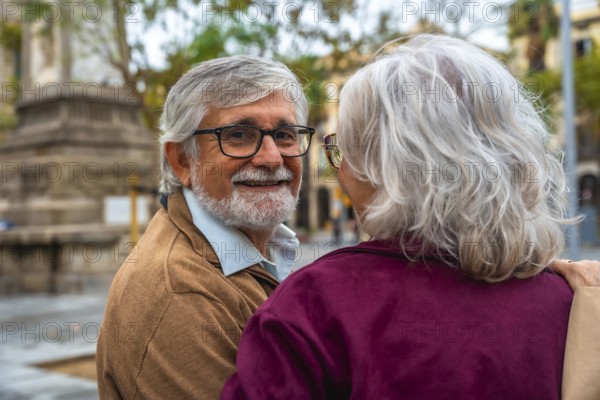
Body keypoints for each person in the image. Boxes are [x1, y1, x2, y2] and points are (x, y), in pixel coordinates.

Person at [222, 35, 597, 399]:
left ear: (381, 165)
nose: (341, 170)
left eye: (342, 150)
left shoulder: (313, 307)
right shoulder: (574, 303)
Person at [96, 55, 314, 399]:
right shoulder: (179, 292)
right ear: (182, 160)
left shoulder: (251, 251)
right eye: (239, 135)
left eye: (285, 135)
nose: (272, 158)